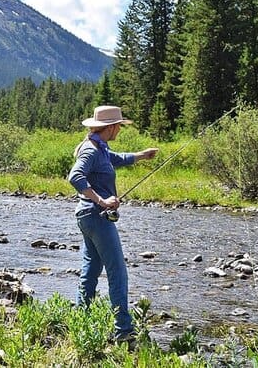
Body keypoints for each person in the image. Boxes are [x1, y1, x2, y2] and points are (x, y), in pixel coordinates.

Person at [68, 105, 158, 345]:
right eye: (119, 125)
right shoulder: (90, 150)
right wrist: (101, 200)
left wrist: (141, 155)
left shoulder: (100, 147)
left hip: (88, 217)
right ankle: (123, 331)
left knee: (90, 271)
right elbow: (75, 177)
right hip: (96, 216)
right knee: (118, 271)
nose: (120, 128)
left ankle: (81, 319)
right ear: (111, 127)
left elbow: (116, 159)